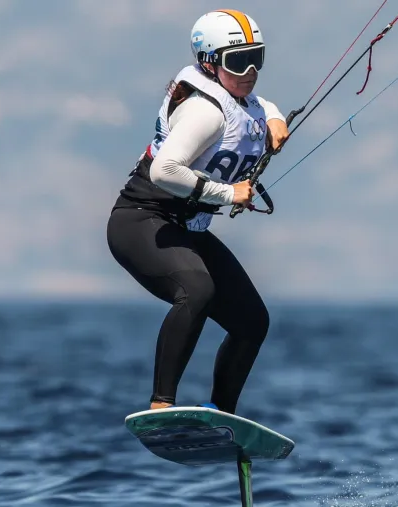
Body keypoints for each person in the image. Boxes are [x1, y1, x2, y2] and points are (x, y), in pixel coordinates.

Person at [105, 9, 290, 415]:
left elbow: (258, 102)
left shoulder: (237, 95)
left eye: (258, 57)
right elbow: (163, 170)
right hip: (141, 219)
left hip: (186, 227)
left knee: (252, 322)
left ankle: (221, 414)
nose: (251, 70)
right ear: (209, 62)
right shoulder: (205, 112)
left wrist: (274, 118)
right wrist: (229, 193)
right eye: (239, 62)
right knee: (197, 291)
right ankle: (160, 405)